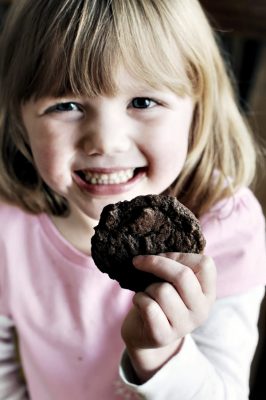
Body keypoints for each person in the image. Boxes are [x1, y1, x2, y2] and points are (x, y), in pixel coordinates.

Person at [0, 0, 265, 399]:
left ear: (198, 108)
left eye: (142, 102)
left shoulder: (229, 227)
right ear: (19, 118)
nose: (106, 141)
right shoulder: (8, 226)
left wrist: (160, 351)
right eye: (66, 105)